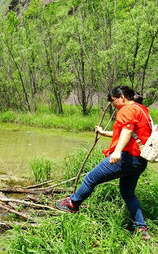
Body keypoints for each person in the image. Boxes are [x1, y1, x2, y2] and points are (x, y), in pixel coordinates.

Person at [55, 85, 152, 240]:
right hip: (139, 161)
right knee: (128, 193)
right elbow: (127, 133)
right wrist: (102, 132)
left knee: (90, 178)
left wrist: (117, 151)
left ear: (122, 97)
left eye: (113, 101)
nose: (113, 105)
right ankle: (141, 228)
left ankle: (72, 204)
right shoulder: (141, 110)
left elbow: (127, 131)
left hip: (126, 158)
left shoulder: (126, 110)